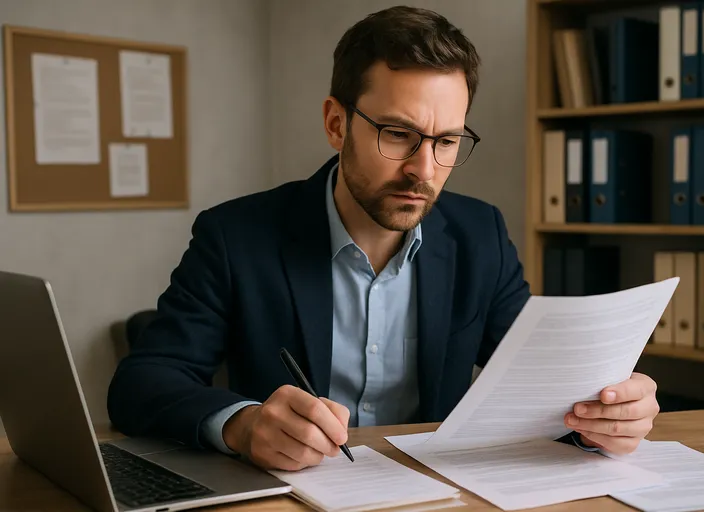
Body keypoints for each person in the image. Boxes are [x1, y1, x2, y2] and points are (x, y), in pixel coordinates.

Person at [107, 5, 660, 472]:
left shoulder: (479, 234)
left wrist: (603, 418)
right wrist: (242, 424)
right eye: (398, 134)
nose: (425, 169)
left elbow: (540, 383)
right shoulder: (236, 235)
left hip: (439, 492)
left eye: (446, 141)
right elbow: (143, 383)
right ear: (336, 123)